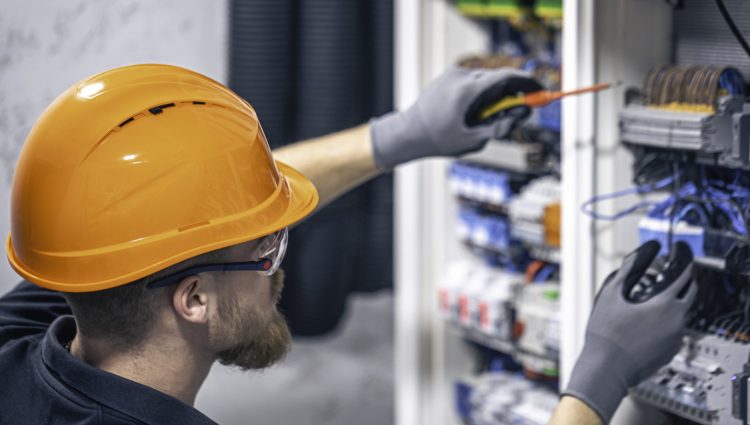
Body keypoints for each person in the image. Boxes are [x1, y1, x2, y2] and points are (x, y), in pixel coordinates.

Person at [0, 64, 695, 425]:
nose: (281, 259)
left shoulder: (27, 341)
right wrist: (599, 378)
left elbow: (200, 211)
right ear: (194, 299)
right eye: (266, 252)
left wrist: (398, 136)